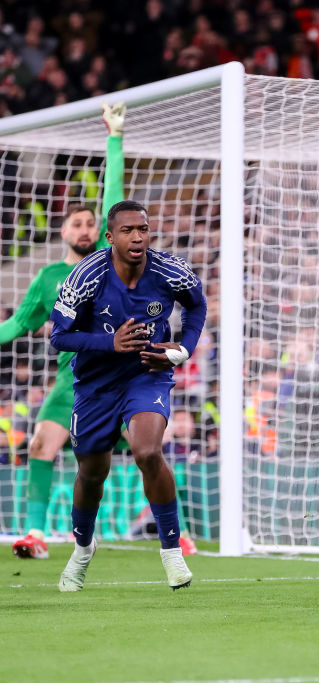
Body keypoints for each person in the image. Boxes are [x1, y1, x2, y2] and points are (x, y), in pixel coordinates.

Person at [49, 199, 207, 591]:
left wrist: (183, 349)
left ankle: (171, 551)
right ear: (110, 237)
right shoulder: (87, 275)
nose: (137, 237)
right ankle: (83, 549)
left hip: (146, 375)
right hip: (95, 384)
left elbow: (196, 305)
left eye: (143, 229)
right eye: (128, 230)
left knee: (148, 452)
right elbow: (58, 335)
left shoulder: (170, 270)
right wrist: (109, 342)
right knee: (91, 472)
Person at [5, 102, 122, 560]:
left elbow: (114, 192)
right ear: (62, 231)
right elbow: (18, 324)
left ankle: (179, 532)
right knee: (39, 444)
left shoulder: (108, 265)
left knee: (149, 450)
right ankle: (35, 534)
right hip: (70, 380)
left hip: (117, 374)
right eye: (78, 223)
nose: (87, 227)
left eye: (92, 222)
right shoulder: (49, 277)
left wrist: (114, 137)